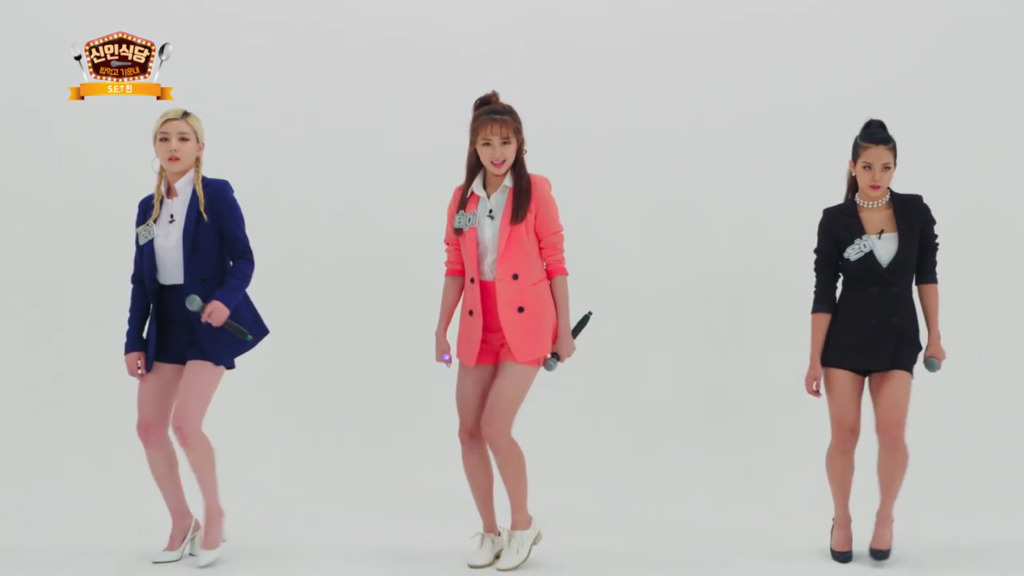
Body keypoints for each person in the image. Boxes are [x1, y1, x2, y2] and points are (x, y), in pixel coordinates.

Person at [435, 90, 575, 571]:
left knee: (496, 426)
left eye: (506, 142)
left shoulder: (536, 192)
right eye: (487, 143)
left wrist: (564, 330)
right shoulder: (462, 198)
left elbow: (556, 263)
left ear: (520, 145)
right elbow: (455, 267)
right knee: (468, 431)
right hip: (478, 325)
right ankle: (490, 531)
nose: (497, 152)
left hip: (528, 325)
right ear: (474, 146)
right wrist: (441, 329)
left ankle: (523, 525)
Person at [124, 108, 269, 567]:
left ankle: (215, 514)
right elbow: (141, 281)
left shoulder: (216, 194)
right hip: (165, 324)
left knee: (186, 425)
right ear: (155, 147)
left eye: (184, 138)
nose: (173, 146)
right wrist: (133, 340)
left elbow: (244, 258)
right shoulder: (146, 208)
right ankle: (182, 521)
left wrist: (225, 299)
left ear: (199, 148)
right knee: (149, 428)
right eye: (165, 138)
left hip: (209, 322)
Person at [805, 119, 945, 564]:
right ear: (853, 166)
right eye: (867, 166)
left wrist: (935, 336)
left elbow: (926, 276)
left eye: (886, 167)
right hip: (845, 341)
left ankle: (885, 516)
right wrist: (814, 358)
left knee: (891, 433)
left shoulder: (915, 211)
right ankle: (842, 519)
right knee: (844, 434)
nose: (876, 175)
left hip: (897, 337)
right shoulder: (836, 220)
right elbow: (823, 292)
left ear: (895, 168)